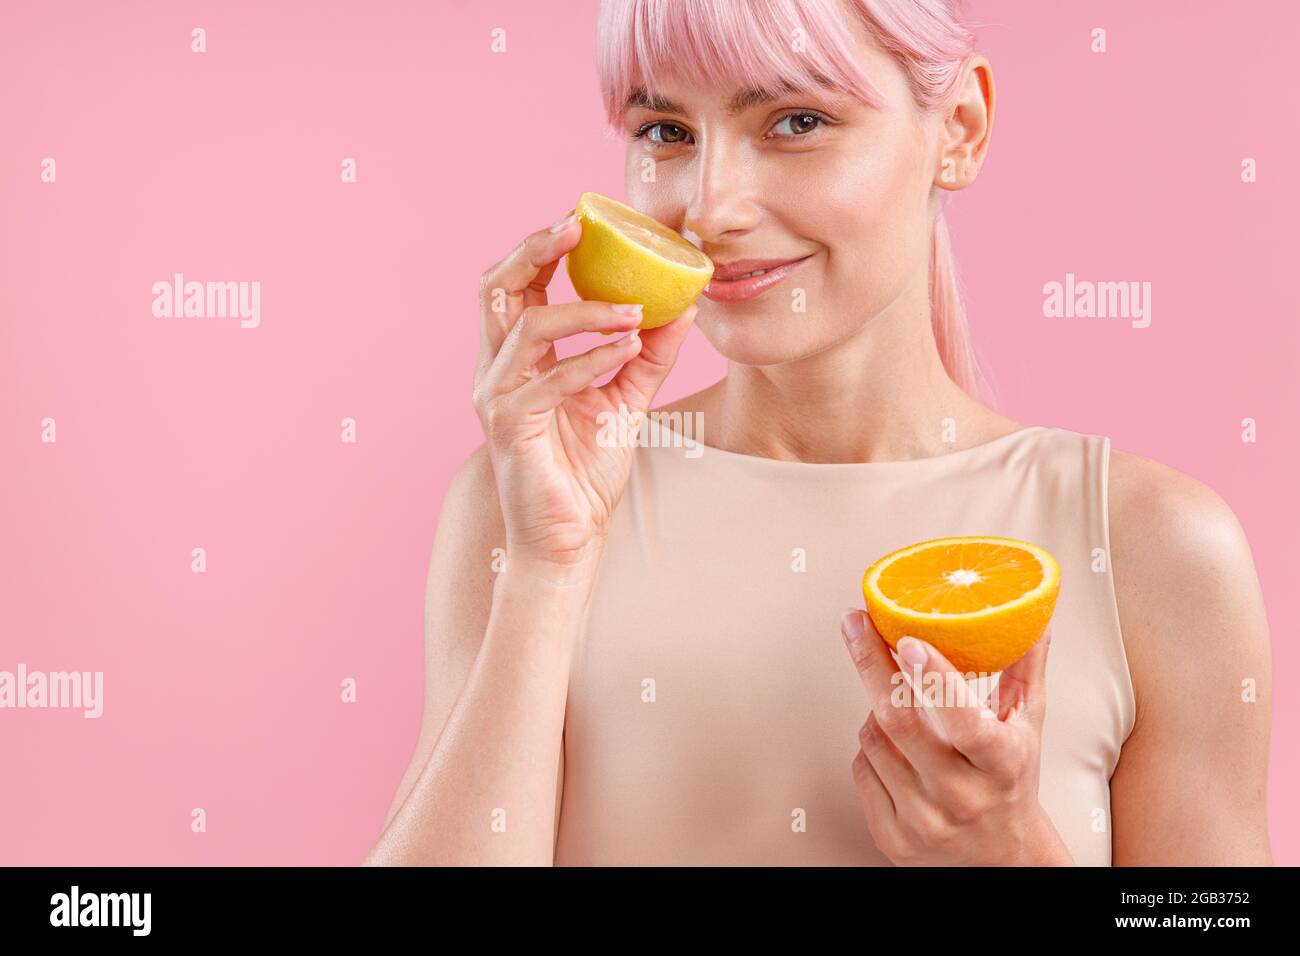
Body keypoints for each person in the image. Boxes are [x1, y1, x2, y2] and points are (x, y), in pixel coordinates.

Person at [365, 0, 1272, 865]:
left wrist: (1015, 859)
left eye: (796, 122)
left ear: (958, 127)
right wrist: (544, 566)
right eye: (666, 131)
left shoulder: (1155, 548)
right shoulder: (527, 506)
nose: (710, 207)